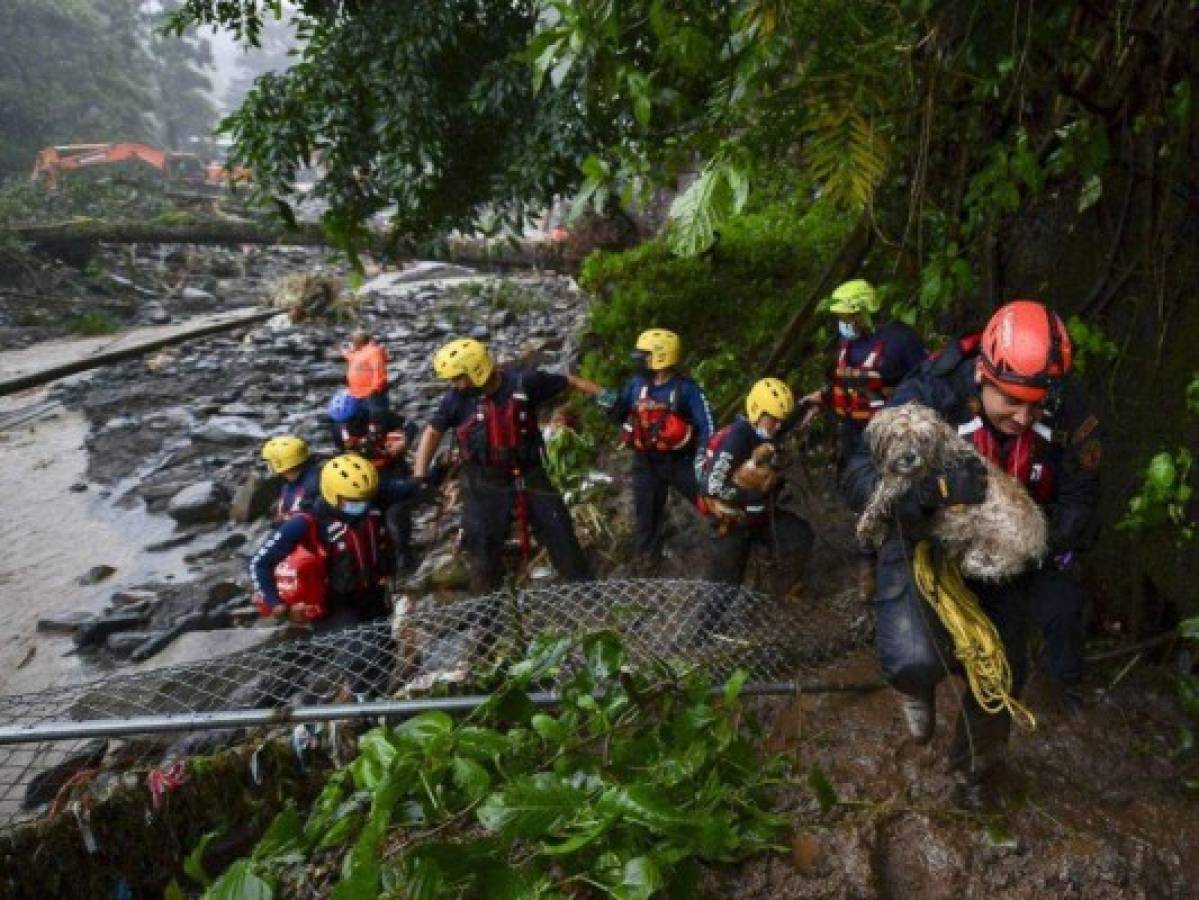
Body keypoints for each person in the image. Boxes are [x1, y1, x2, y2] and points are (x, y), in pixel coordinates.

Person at [842, 300, 1101, 785]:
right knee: (915, 659)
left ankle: (972, 773)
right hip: (922, 535)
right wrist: (927, 494)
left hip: (1007, 551)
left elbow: (1082, 495)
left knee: (1001, 675)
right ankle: (914, 685)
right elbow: (857, 475)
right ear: (983, 373)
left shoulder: (1068, 405)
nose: (1025, 418)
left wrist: (1029, 539)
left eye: (1036, 404)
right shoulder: (931, 390)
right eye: (1011, 401)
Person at [411, 338, 598, 594]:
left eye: (458, 378)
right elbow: (432, 433)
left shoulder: (524, 382)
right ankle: (487, 616)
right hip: (482, 482)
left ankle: (586, 591)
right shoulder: (456, 400)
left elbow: (569, 381)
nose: (453, 384)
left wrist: (607, 396)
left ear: (476, 371)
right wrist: (420, 475)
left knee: (559, 530)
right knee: (482, 549)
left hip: (529, 473)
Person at [250, 454, 397, 694]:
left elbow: (406, 489)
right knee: (362, 657)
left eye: (364, 500)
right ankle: (363, 713)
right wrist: (276, 604)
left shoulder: (369, 510)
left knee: (385, 652)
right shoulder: (305, 523)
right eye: (350, 501)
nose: (359, 506)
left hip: (370, 595)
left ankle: (376, 700)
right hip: (333, 605)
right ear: (330, 494)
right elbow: (260, 562)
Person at [603, 328, 714, 572]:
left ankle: (732, 539)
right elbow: (624, 414)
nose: (639, 361)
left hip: (679, 460)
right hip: (646, 461)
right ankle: (647, 561)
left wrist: (704, 458)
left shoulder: (687, 390)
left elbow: (707, 425)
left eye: (644, 356)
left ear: (660, 358)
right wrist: (611, 407)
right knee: (646, 514)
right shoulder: (636, 385)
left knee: (709, 499)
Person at [696, 378, 814, 595]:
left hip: (761, 516)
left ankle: (775, 589)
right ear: (757, 412)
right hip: (733, 521)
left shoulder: (769, 430)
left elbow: (788, 423)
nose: (777, 426)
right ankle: (708, 627)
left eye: (780, 420)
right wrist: (750, 495)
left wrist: (807, 405)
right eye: (773, 420)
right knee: (723, 588)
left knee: (799, 536)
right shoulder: (738, 438)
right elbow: (711, 485)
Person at [802, 279, 927, 468]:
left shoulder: (900, 338)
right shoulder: (847, 342)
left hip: (893, 432)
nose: (842, 323)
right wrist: (823, 399)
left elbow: (926, 379)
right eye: (840, 318)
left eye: (847, 317)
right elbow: (848, 383)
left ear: (864, 314)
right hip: (854, 435)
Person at [261, 435, 321, 520]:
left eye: (271, 461)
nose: (269, 465)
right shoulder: (290, 481)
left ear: (281, 463)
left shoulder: (313, 485)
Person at [341, 329, 390, 431]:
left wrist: (376, 389)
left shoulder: (374, 351)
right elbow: (355, 358)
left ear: (358, 342)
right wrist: (345, 353)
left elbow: (379, 371)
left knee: (377, 423)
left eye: (353, 342)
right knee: (365, 423)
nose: (352, 344)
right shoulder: (360, 352)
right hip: (360, 395)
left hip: (373, 395)